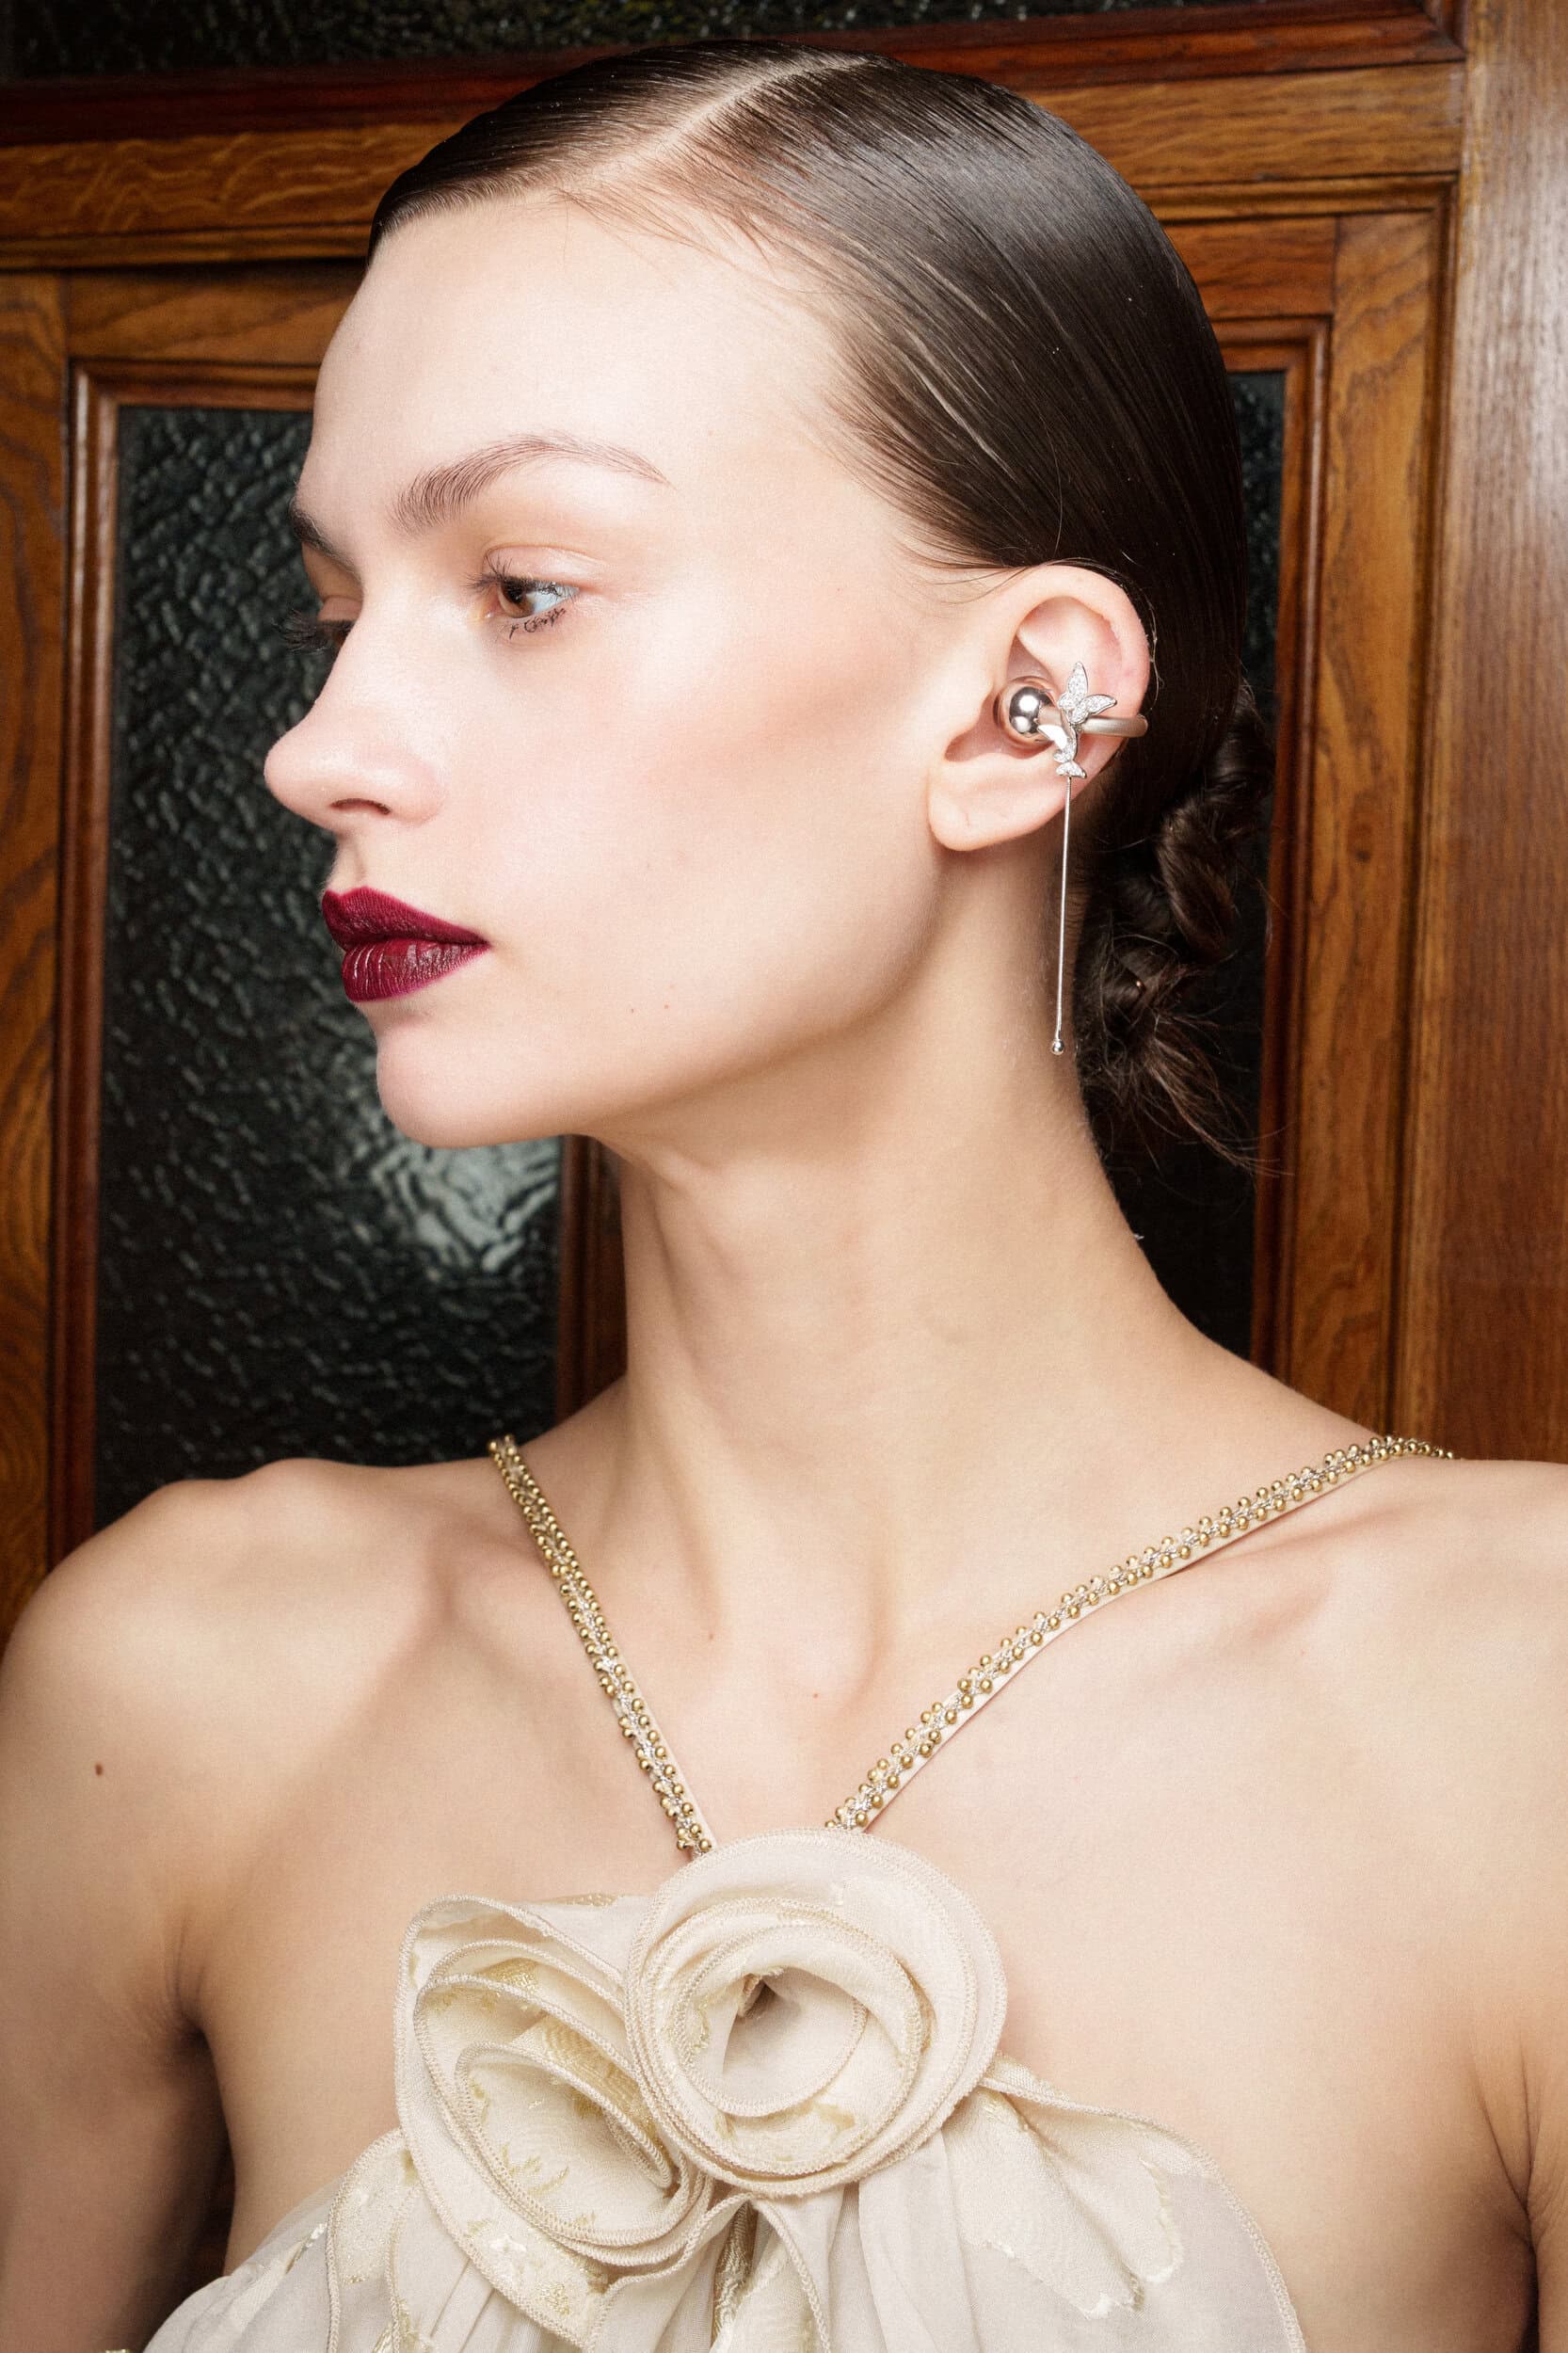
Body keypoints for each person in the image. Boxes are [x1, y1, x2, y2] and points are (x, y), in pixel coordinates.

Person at [1, 35, 1564, 2353]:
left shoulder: (1512, 1717)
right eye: (335, 606)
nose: (316, 746)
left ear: (1022, 709)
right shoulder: (184, 1693)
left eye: (522, 584)